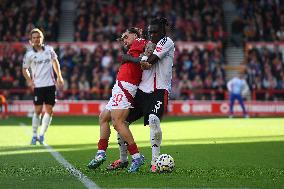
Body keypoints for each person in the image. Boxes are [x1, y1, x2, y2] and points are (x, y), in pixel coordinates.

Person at [108, 17, 175, 173]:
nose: (152, 35)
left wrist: (129, 58)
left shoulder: (166, 42)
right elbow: (142, 61)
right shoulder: (148, 44)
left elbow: (148, 62)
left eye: (155, 32)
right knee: (121, 122)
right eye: (150, 32)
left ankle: (155, 161)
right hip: (142, 90)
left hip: (159, 90)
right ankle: (123, 159)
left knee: (153, 120)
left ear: (163, 31)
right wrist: (138, 58)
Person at [87, 28, 154, 173]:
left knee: (118, 122)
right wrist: (132, 57)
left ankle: (136, 156)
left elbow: (150, 46)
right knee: (103, 118)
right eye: (122, 38)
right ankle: (101, 153)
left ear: (135, 35)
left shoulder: (139, 42)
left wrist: (138, 57)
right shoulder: (132, 48)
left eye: (126, 36)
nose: (124, 40)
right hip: (120, 86)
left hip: (127, 86)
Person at [22, 28, 64, 145]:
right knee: (38, 110)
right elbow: (25, 69)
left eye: (38, 37)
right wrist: (29, 80)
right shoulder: (29, 55)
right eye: (34, 38)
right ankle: (34, 135)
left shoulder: (49, 50)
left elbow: (55, 62)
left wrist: (59, 76)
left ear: (42, 38)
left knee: (49, 111)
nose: (36, 39)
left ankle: (42, 135)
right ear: (31, 40)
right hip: (38, 86)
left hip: (50, 85)